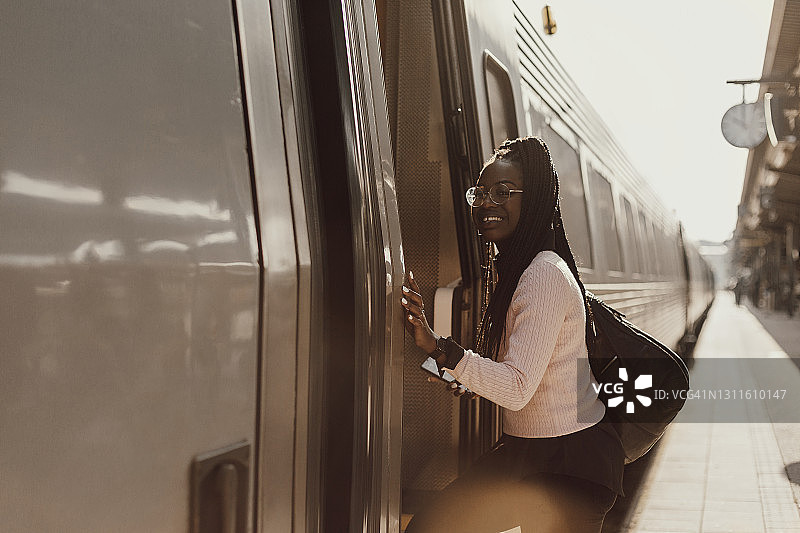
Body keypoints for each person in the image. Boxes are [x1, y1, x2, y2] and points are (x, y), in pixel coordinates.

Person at [400, 137, 624, 532]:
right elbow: (520, 375)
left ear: (533, 199)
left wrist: (440, 347)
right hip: (530, 453)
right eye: (481, 192)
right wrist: (457, 372)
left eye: (503, 192)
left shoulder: (543, 275)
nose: (487, 202)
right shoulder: (521, 271)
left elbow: (517, 388)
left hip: (569, 466)